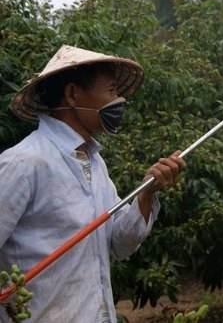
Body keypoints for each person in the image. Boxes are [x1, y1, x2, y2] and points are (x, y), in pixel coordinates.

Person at [0, 45, 186, 322]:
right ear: (74, 94)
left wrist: (146, 195)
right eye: (111, 91)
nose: (118, 100)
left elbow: (120, 244)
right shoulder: (25, 163)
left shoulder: (94, 163)